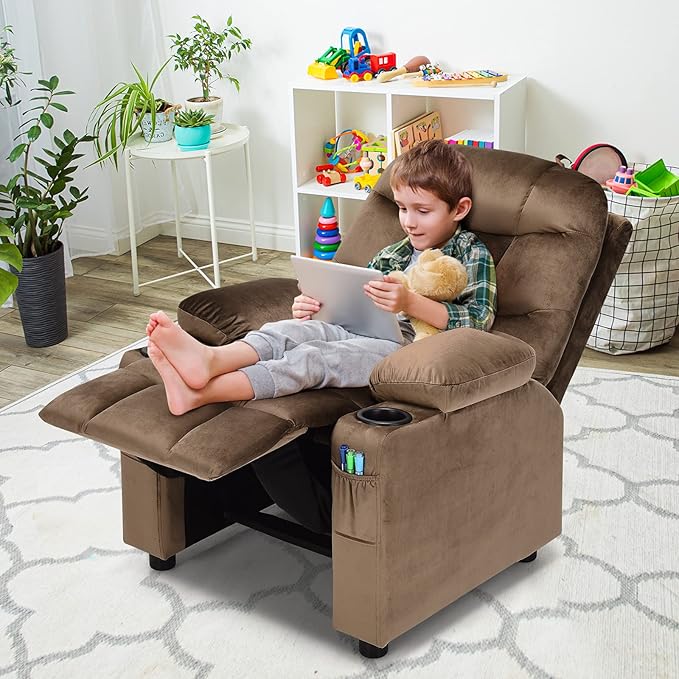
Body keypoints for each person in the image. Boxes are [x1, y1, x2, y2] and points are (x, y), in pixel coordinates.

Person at [145, 139, 497, 416]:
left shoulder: (470, 252)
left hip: (406, 352)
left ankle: (201, 393)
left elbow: (479, 320)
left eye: (423, 211)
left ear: (459, 209)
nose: (409, 222)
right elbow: (357, 305)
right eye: (403, 208)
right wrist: (316, 308)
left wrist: (410, 303)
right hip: (363, 331)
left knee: (313, 358)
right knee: (288, 330)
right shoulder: (393, 253)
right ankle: (211, 360)